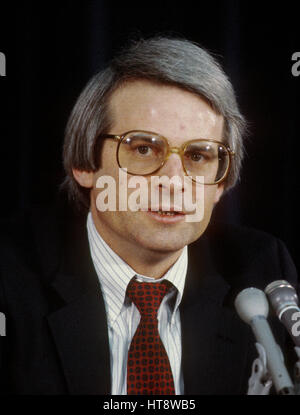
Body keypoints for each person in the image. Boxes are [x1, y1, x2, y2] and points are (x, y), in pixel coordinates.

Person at [0, 36, 298, 395]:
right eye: (143, 148)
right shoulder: (10, 273)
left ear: (220, 185)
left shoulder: (261, 269)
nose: (174, 182)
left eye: (199, 156)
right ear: (85, 163)